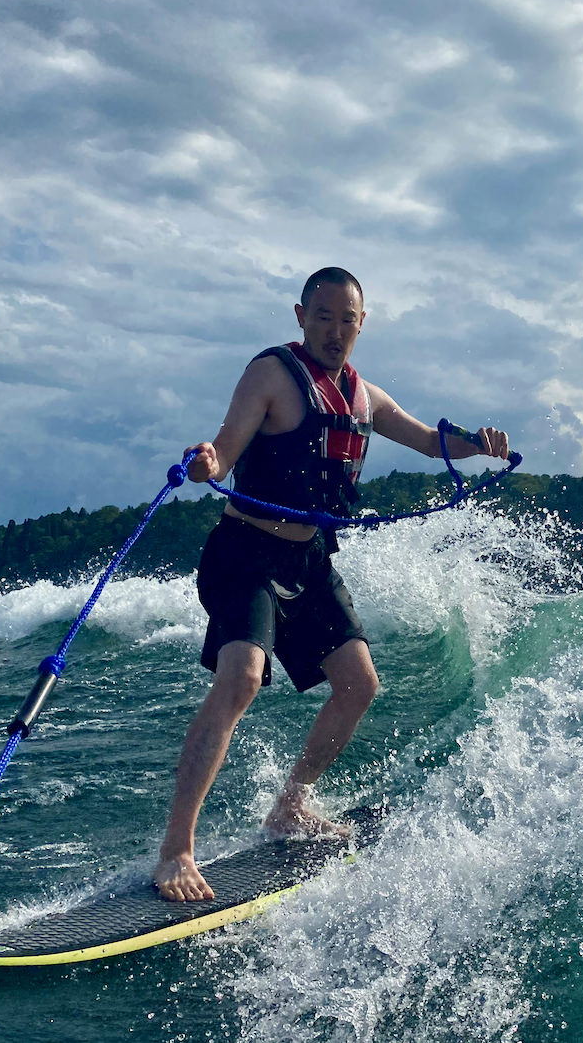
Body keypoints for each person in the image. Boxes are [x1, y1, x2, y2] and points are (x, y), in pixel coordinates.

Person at [152, 267, 510, 902]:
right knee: (241, 678)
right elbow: (226, 449)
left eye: (348, 319)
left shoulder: (363, 396)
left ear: (362, 323)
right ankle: (177, 849)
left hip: (309, 560)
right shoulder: (269, 374)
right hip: (246, 554)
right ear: (300, 316)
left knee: (359, 683)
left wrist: (476, 446)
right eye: (323, 316)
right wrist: (206, 461)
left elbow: (430, 440)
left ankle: (290, 806)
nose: (335, 330)